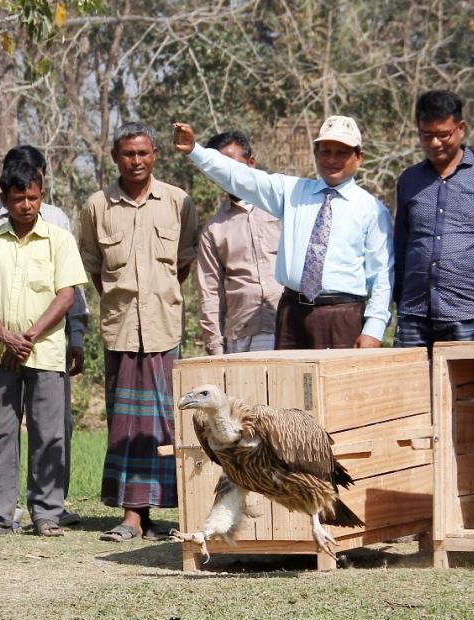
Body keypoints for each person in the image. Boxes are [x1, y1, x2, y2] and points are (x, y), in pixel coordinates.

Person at [174, 116, 393, 349]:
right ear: (315, 153)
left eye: (342, 153)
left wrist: (374, 329)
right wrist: (195, 151)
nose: (332, 159)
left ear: (359, 157)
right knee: (288, 384)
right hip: (292, 314)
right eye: (325, 151)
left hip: (341, 315)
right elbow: (239, 176)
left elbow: (382, 276)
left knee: (339, 384)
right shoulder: (292, 191)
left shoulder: (372, 209)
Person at [0, 145, 88, 528]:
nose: (27, 205)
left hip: (45, 351)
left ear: (41, 194)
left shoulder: (59, 237)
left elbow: (67, 296)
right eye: (18, 199)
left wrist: (27, 336)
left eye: (33, 197)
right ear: (5, 198)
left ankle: (47, 513)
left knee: (49, 433)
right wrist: (2, 336)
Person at [79, 123, 198, 542]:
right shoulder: (97, 205)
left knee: (168, 422)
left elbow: (182, 263)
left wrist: (156, 296)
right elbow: (93, 267)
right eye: (128, 154)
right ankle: (132, 515)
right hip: (122, 330)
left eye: (144, 153)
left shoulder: (179, 202)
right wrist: (123, 299)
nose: (136, 161)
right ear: (115, 156)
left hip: (164, 327)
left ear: (156, 155)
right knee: (126, 425)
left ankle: (169, 509)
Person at [394, 90, 474, 347]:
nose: (435, 143)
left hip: (470, 313)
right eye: (426, 135)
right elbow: (402, 247)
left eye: (443, 135)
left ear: (461, 128)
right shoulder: (409, 180)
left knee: (469, 386)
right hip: (415, 312)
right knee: (411, 386)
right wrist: (399, 300)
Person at [195, 131, 283, 355]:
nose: (227, 174)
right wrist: (215, 345)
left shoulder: (282, 208)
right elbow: (210, 292)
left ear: (251, 162)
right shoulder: (214, 229)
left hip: (288, 329)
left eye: (231, 165)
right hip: (243, 336)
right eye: (218, 168)